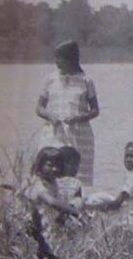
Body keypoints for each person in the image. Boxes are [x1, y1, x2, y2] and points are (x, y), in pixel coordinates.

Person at [36, 41, 100, 185]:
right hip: (54, 132)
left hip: (79, 134)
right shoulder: (50, 79)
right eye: (56, 59)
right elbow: (39, 108)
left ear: (71, 60)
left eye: (60, 59)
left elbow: (95, 110)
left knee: (78, 173)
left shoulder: (86, 80)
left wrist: (78, 117)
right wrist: (50, 116)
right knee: (49, 167)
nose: (57, 63)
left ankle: (77, 197)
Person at [25, 146, 80, 231]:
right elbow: (51, 201)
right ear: (40, 165)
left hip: (47, 225)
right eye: (49, 165)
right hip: (33, 226)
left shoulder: (53, 182)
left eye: (57, 166)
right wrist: (74, 211)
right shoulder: (36, 182)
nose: (54, 169)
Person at [55, 146, 85, 212]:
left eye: (77, 165)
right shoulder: (54, 180)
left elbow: (79, 197)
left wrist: (76, 203)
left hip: (71, 209)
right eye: (72, 165)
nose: (75, 168)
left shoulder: (76, 183)